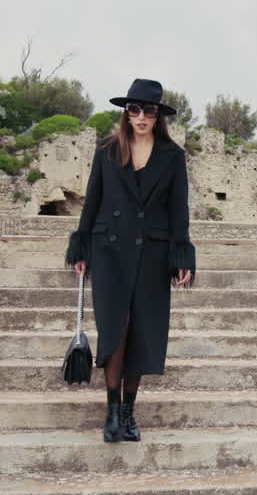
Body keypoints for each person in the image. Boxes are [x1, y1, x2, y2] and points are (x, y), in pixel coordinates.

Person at [66, 78, 195, 443]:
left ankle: (128, 411)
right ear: (126, 112)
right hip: (109, 252)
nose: (140, 116)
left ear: (158, 115)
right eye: (134, 109)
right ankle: (110, 411)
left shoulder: (172, 156)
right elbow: (92, 202)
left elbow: (178, 211)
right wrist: (82, 249)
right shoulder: (107, 151)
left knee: (142, 334)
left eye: (148, 110)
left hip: (153, 256)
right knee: (115, 331)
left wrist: (181, 254)